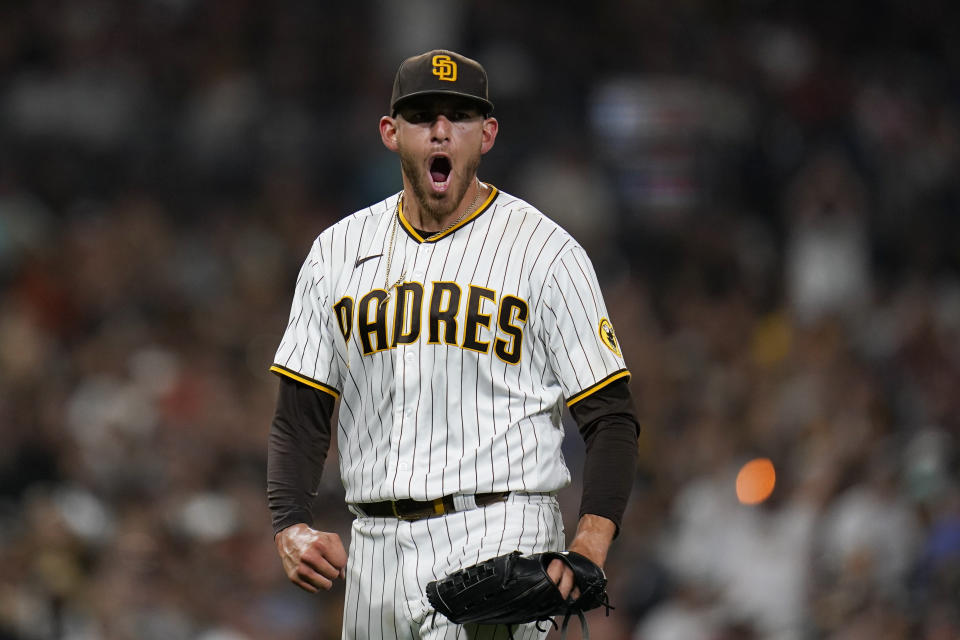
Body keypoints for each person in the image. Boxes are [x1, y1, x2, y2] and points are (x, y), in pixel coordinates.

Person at [267, 49, 640, 639]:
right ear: (391, 132)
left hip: (501, 529)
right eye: (422, 116)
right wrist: (290, 523)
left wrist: (591, 545)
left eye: (460, 116)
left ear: (487, 134)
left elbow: (611, 417)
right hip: (374, 554)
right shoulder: (335, 253)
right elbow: (301, 416)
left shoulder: (547, 251)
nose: (441, 130)